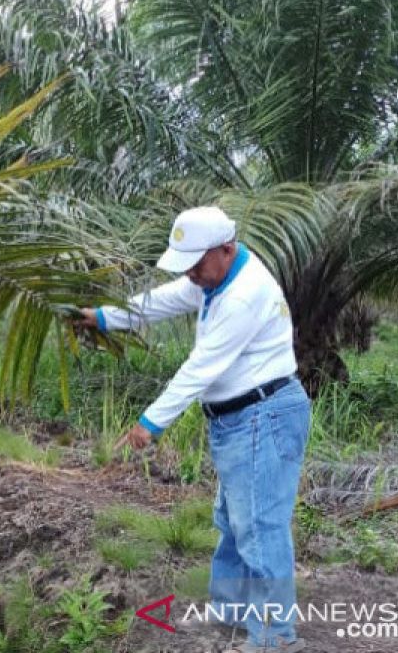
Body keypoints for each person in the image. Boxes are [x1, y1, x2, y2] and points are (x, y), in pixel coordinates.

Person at [74, 206, 310, 652]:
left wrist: (151, 422)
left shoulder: (243, 295)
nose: (192, 275)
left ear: (226, 248)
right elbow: (163, 300)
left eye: (196, 264)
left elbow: (199, 369)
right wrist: (104, 316)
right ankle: (230, 614)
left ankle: (275, 639)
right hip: (239, 420)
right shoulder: (215, 277)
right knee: (234, 522)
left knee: (259, 528)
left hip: (263, 417)